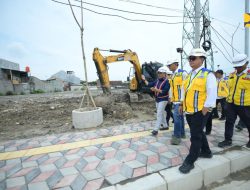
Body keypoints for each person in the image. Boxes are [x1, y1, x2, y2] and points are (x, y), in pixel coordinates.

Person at [178, 48, 217, 174]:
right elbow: (185, 91)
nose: (191, 60)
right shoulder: (189, 74)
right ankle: (206, 152)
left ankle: (190, 160)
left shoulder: (208, 74)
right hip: (189, 110)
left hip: (201, 111)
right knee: (198, 132)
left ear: (202, 59)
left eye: (193, 58)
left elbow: (212, 92)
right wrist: (181, 104)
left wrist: (206, 108)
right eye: (190, 58)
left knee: (195, 136)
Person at [218, 54, 250, 148]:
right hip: (231, 104)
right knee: (229, 122)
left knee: (248, 123)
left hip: (245, 105)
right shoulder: (232, 75)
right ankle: (227, 140)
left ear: (246, 63)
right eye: (236, 66)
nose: (237, 68)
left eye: (240, 66)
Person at [141, 67, 170, 136]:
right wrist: (144, 79)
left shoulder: (167, 81)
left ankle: (155, 129)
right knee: (161, 113)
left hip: (163, 99)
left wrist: (155, 90)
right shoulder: (157, 80)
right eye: (158, 73)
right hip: (157, 99)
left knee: (159, 114)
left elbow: (164, 91)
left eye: (160, 73)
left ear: (164, 74)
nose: (159, 74)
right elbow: (148, 84)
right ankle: (165, 126)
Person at [166, 59, 187, 145]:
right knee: (180, 118)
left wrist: (182, 101)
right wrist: (170, 98)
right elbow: (172, 88)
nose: (168, 67)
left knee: (176, 119)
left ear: (175, 64)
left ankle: (177, 136)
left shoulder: (183, 73)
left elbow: (186, 88)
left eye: (169, 65)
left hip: (180, 101)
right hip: (175, 101)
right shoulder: (173, 75)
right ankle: (182, 134)